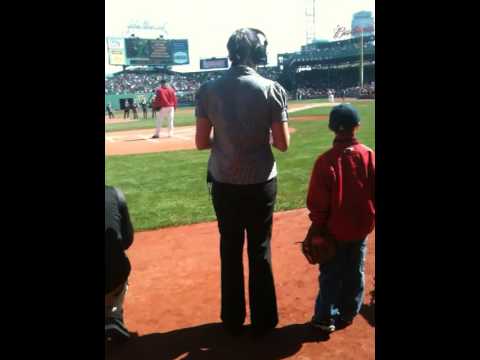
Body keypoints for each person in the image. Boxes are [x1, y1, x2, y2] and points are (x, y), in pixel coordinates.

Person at [195, 28, 290, 337]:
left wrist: (227, 137)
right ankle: (264, 320)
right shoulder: (271, 88)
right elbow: (283, 143)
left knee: (230, 247)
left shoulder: (208, 89)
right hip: (261, 180)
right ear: (255, 52)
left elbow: (200, 142)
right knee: (260, 248)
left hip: (224, 180)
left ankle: (232, 318)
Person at [306, 104, 375, 333]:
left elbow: (318, 203)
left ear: (331, 128)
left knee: (330, 274)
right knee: (355, 269)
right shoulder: (368, 155)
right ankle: (349, 312)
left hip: (333, 230)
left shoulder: (325, 161)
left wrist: (315, 228)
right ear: (357, 126)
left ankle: (324, 317)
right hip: (361, 228)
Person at [105, 185, 135, 343]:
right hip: (114, 275)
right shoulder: (115, 193)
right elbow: (127, 240)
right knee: (118, 261)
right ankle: (113, 316)